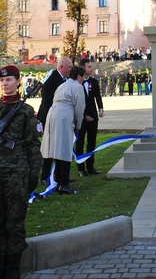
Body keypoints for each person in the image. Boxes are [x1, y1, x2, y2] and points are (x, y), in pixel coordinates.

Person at [0, 65, 42, 279]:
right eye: (2, 81)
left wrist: (34, 173)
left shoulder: (25, 111)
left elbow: (32, 145)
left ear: (18, 82)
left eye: (9, 80)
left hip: (16, 174)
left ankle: (13, 266)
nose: (5, 84)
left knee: (15, 220)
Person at [40, 65, 86, 194]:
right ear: (79, 76)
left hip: (52, 114)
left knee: (56, 148)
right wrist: (78, 125)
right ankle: (63, 184)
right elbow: (79, 107)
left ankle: (58, 180)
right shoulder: (77, 86)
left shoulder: (63, 85)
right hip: (64, 115)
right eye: (82, 77)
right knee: (65, 148)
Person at [38, 57, 73, 183]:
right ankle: (45, 176)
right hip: (50, 117)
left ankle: (59, 176)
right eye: (69, 67)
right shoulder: (51, 79)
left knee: (60, 147)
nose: (71, 69)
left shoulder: (67, 79)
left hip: (60, 118)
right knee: (49, 148)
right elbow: (47, 102)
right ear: (61, 67)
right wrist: (50, 120)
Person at [76, 59, 104, 177]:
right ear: (83, 68)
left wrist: (100, 108)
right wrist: (83, 116)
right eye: (89, 67)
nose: (91, 69)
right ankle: (81, 168)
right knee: (80, 142)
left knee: (91, 141)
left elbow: (98, 97)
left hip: (93, 116)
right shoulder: (77, 83)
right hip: (81, 117)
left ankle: (90, 166)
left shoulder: (94, 81)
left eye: (91, 67)